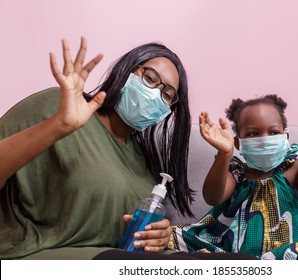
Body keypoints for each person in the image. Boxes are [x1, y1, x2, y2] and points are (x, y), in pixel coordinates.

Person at [0, 37, 193, 259]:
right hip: (40, 255)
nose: (155, 95)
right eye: (150, 78)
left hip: (124, 260)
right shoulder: (57, 107)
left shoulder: (141, 158)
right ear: (127, 70)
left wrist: (157, 236)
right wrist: (59, 125)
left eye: (167, 95)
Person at [168, 89, 298, 260]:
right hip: (239, 255)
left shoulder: (295, 169)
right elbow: (213, 196)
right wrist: (224, 154)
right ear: (239, 142)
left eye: (273, 132)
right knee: (171, 238)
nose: (264, 139)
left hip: (290, 256)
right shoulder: (237, 173)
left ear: (285, 137)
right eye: (254, 134)